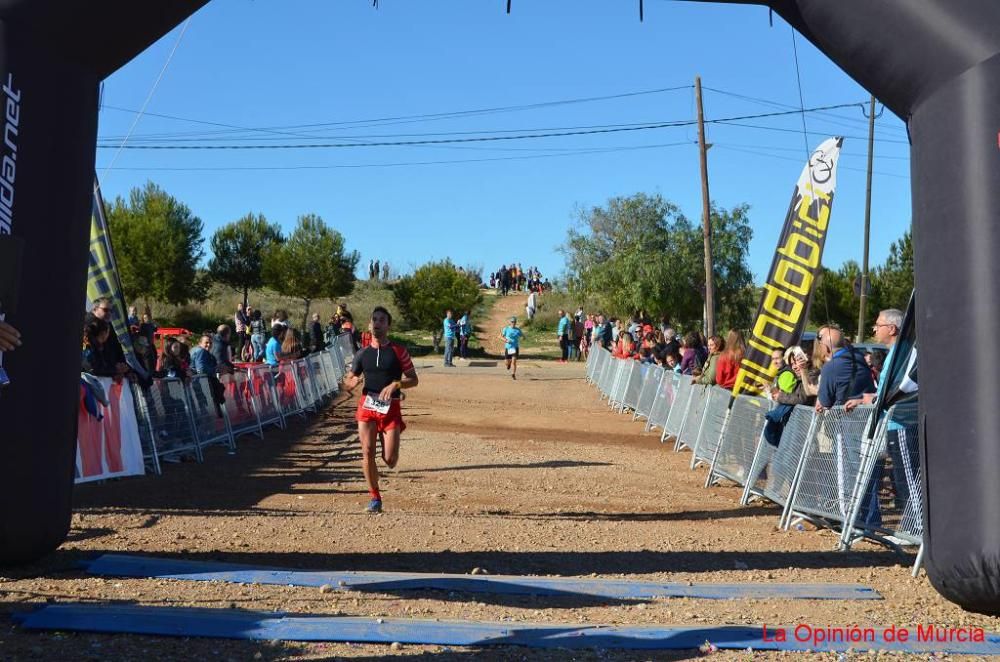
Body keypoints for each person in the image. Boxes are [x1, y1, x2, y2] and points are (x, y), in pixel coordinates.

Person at [344, 306, 418, 514]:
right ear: (370, 324)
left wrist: (397, 384)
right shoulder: (362, 354)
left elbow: (414, 379)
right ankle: (375, 497)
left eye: (381, 320)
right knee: (367, 452)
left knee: (390, 460)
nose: (377, 323)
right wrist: (352, 382)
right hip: (367, 406)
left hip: (390, 408)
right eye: (374, 319)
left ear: (388, 325)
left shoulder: (399, 351)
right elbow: (348, 380)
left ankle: (388, 441)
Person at [816, 325, 875, 410]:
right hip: (868, 414)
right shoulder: (860, 357)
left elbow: (825, 402)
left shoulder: (830, 367)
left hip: (842, 418)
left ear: (825, 348)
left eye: (820, 345)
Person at [500, 316, 523, 380]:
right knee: (507, 362)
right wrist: (506, 340)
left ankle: (513, 374)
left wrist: (523, 338)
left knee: (514, 362)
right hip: (508, 348)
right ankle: (508, 365)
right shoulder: (506, 329)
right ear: (510, 322)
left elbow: (522, 335)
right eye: (512, 322)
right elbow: (500, 337)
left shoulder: (517, 330)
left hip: (515, 348)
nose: (513, 323)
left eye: (514, 322)